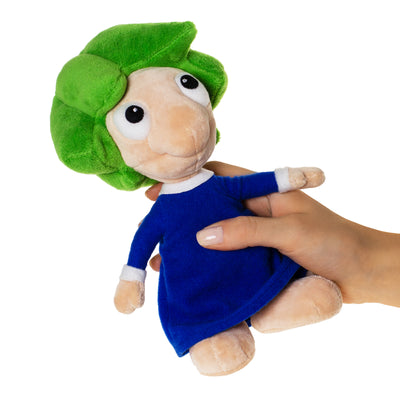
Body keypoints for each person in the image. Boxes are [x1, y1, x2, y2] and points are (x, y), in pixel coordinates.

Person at [146, 161, 400, 308]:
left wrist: (291, 177)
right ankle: (214, 338)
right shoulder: (164, 209)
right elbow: (142, 243)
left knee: (276, 292)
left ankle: (286, 307)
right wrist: (131, 277)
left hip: (259, 266)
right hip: (205, 286)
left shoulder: (218, 184)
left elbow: (251, 185)